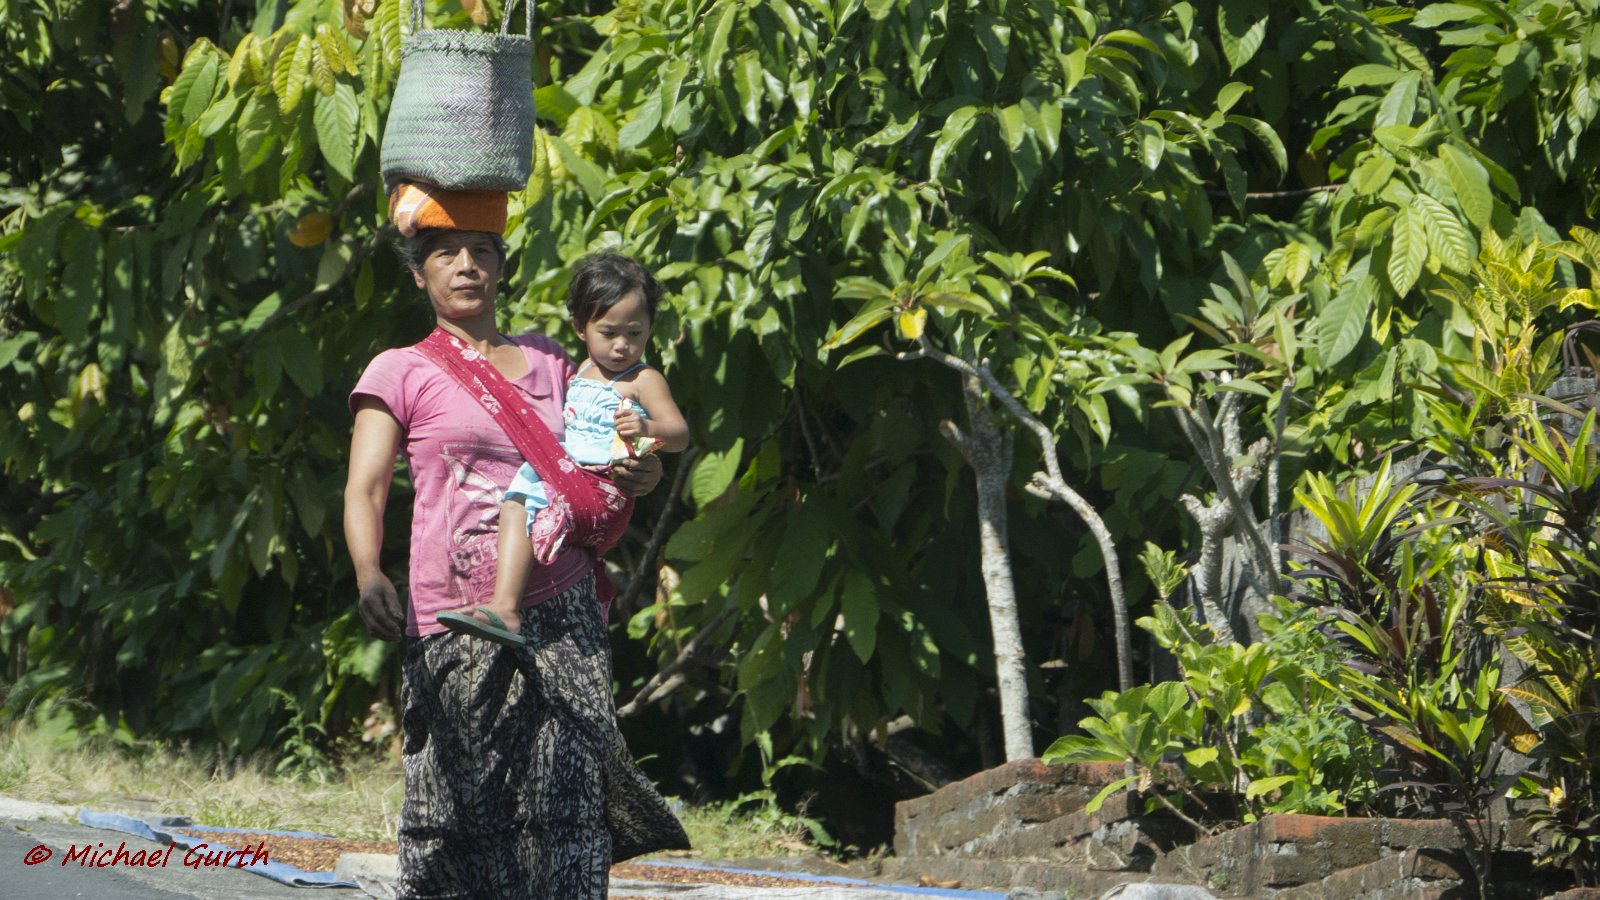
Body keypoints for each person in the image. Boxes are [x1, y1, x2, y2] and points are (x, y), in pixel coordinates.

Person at [343, 183, 689, 899]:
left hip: (562, 609)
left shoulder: (556, 362)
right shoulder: (399, 370)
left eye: (481, 251)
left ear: (501, 267)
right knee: (452, 809)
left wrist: (646, 467)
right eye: (446, 254)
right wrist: (369, 571)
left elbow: (611, 452)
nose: (466, 265)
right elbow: (366, 487)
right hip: (452, 612)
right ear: (419, 274)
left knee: (567, 804)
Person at [438, 252, 689, 646]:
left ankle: (511, 607)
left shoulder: (644, 379)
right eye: (609, 333)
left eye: (635, 333)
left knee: (534, 512)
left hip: (601, 482)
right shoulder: (581, 370)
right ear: (581, 328)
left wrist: (648, 429)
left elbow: (680, 434)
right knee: (515, 505)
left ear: (649, 329)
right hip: (569, 474)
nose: (622, 346)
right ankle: (504, 605)